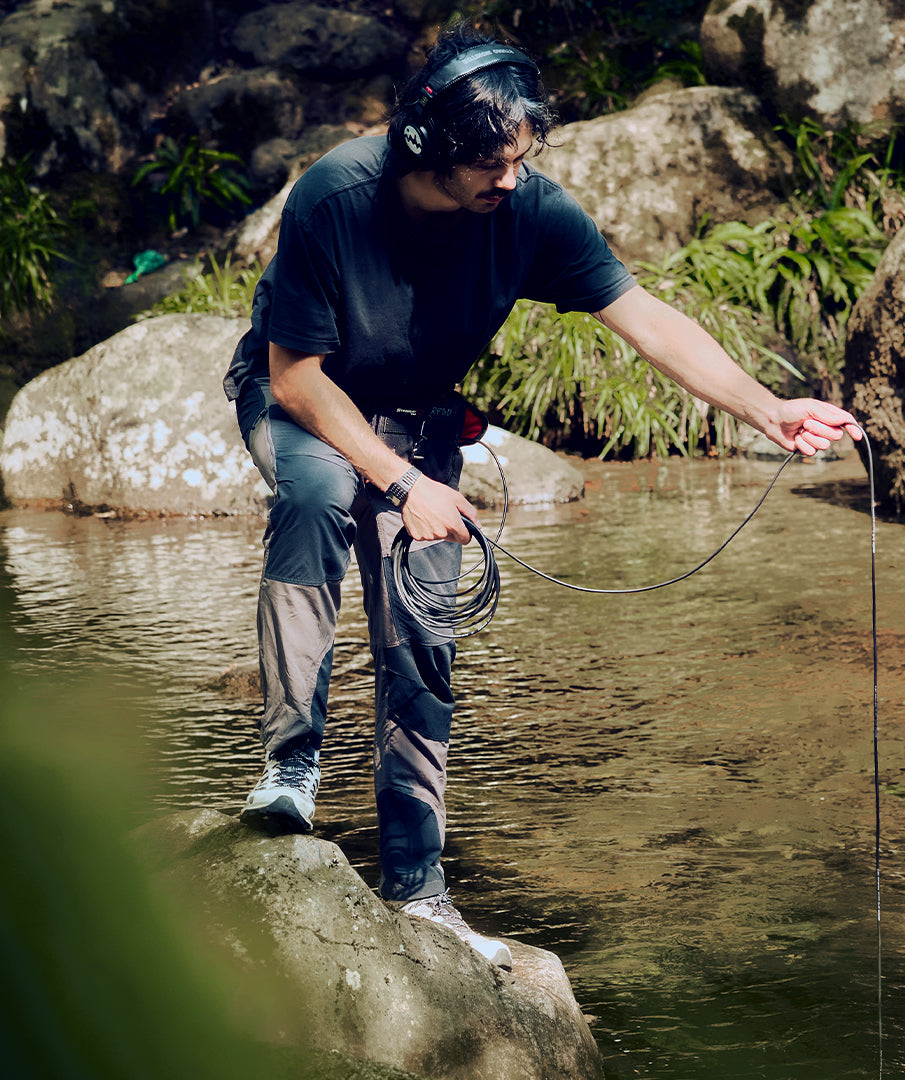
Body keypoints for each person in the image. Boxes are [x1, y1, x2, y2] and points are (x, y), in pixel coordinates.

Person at [223, 21, 861, 972]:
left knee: (425, 619)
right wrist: (400, 484)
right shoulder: (335, 198)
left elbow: (645, 317)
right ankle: (291, 764)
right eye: (490, 163)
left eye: (523, 158)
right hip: (311, 404)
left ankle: (417, 883)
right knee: (317, 498)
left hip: (422, 417)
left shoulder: (530, 211)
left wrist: (766, 408)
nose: (510, 180)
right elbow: (296, 382)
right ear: (429, 149)